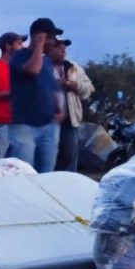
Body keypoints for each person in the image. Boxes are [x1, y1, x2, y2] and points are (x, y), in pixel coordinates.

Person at [8, 18, 64, 173]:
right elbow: (33, 70)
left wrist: (59, 108)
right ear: (39, 36)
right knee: (26, 175)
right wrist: (39, 45)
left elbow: (52, 87)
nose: (53, 42)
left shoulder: (46, 61)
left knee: (47, 176)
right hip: (24, 126)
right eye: (50, 38)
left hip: (49, 126)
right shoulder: (18, 56)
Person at [47, 39, 95, 172]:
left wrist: (75, 85)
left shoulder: (74, 67)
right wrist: (54, 84)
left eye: (64, 48)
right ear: (50, 49)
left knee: (68, 157)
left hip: (70, 120)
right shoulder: (41, 65)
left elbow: (89, 88)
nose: (63, 51)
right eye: (59, 48)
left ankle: (68, 188)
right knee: (48, 157)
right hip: (47, 121)